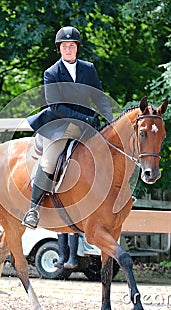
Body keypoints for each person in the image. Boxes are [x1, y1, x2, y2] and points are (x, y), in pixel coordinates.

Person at [22, 26, 113, 229]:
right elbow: (56, 106)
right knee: (49, 161)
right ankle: (32, 210)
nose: (68, 49)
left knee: (107, 151)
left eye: (71, 46)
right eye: (65, 46)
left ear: (77, 48)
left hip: (87, 125)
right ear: (59, 49)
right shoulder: (51, 73)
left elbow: (99, 96)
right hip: (60, 125)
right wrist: (83, 118)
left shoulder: (88, 69)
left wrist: (110, 120)